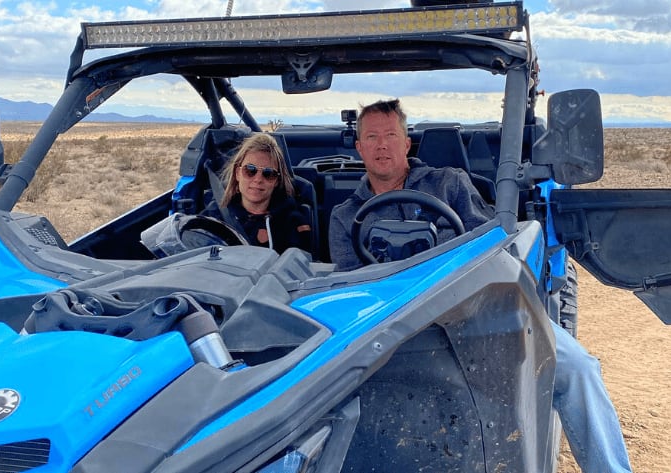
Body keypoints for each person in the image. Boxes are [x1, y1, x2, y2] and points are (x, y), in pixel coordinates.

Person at [329, 98, 633, 473]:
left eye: (390, 135)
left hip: (473, 310)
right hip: (387, 326)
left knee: (578, 369)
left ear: (407, 143)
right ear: (359, 147)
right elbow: (351, 283)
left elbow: (493, 246)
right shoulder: (345, 216)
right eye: (371, 137)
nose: (381, 145)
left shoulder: (449, 184)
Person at [206, 133, 311, 254]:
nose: (258, 179)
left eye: (268, 173)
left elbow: (300, 266)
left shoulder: (293, 222)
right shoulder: (214, 217)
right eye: (250, 170)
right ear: (237, 173)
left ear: (276, 181)